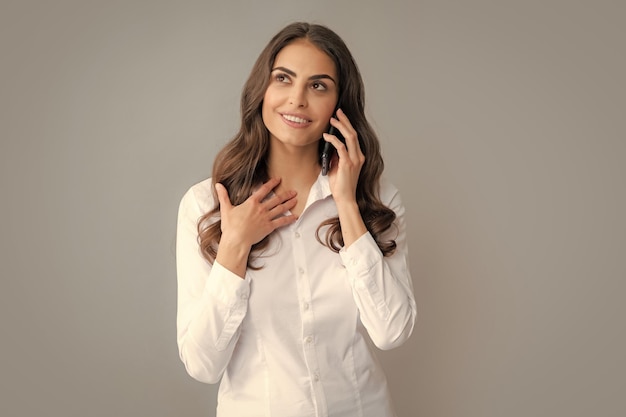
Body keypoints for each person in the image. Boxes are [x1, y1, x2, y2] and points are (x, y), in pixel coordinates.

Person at [176, 22, 417, 417]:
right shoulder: (205, 205)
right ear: (262, 90)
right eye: (283, 79)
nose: (297, 100)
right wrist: (236, 245)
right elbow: (203, 365)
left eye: (318, 85)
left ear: (340, 105)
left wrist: (347, 205)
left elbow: (392, 332)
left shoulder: (377, 199)